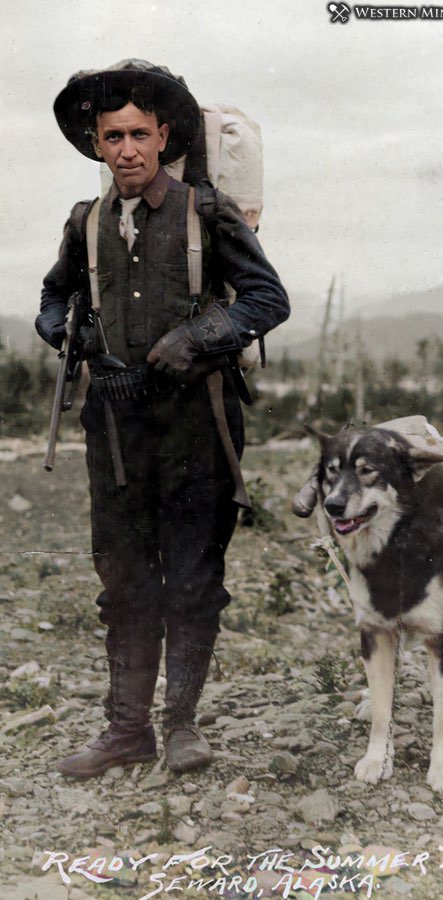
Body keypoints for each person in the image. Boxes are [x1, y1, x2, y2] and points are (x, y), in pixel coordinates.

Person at [36, 59, 289, 778]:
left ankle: (180, 726)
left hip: (195, 429)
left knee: (192, 576)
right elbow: (53, 300)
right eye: (111, 135)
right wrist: (67, 333)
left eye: (139, 134)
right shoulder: (86, 224)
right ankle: (125, 731)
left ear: (163, 135)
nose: (126, 150)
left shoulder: (205, 213)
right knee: (122, 579)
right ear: (96, 142)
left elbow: (268, 299)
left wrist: (200, 338)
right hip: (113, 430)